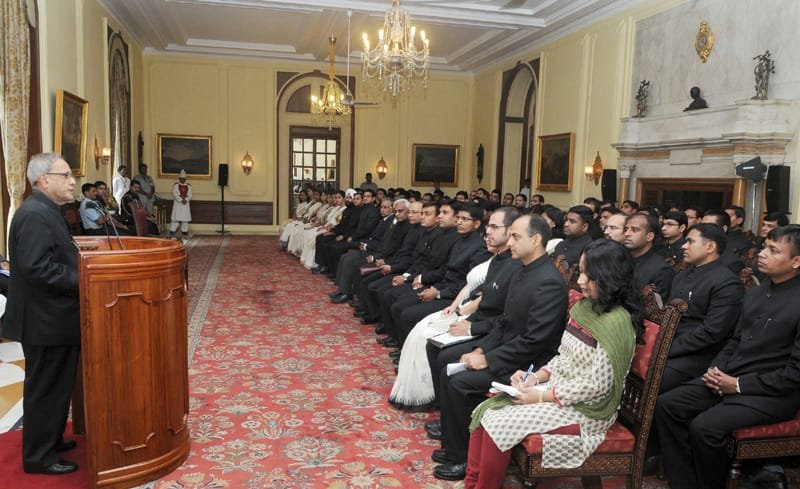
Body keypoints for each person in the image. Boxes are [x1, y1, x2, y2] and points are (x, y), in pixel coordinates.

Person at [464, 240, 642, 488]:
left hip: (589, 410)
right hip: (561, 391)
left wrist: (540, 396)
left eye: (588, 275)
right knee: (487, 409)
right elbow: (563, 356)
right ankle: (472, 483)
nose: (580, 281)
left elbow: (597, 386)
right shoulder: (585, 307)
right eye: (580, 272)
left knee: (498, 423)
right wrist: (535, 378)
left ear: (609, 277)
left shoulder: (617, 322)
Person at [656, 225, 800, 489]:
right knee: (668, 405)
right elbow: (734, 341)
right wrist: (714, 370)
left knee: (705, 427)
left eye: (773, 250)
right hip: (731, 376)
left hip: (771, 392)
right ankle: (686, 483)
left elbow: (795, 375)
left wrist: (738, 385)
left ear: (796, 261)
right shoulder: (756, 292)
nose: (762, 254)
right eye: (765, 247)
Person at [429, 214, 569, 481]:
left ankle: (462, 458)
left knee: (461, 383)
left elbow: (534, 340)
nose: (511, 242)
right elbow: (504, 323)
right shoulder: (524, 270)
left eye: (517, 236)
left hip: (530, 364)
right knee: (451, 363)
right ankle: (454, 442)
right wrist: (481, 350)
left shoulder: (548, 281)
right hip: (510, 349)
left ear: (536, 239)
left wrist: (490, 359)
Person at [388, 207, 521, 410]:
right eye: (489, 227)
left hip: (478, 319)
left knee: (430, 338)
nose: (488, 233)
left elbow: (495, 307)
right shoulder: (496, 257)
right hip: (464, 307)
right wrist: (455, 308)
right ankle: (426, 393)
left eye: (494, 227)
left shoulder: (512, 263)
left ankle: (433, 399)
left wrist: (466, 321)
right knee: (422, 330)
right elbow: (473, 288)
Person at [5, 153, 80, 475]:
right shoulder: (36, 214)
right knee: (46, 388)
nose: (72, 181)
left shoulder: (46, 210)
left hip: (52, 318)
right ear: (43, 179)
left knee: (57, 384)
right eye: (65, 176)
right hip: (45, 320)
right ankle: (39, 456)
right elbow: (37, 268)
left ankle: (50, 439)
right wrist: (83, 280)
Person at [170, 169, 192, 240]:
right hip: (178, 205)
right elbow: (174, 194)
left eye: (184, 179)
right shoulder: (176, 185)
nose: (182, 180)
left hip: (185, 204)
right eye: (181, 179)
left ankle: (184, 232)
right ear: (179, 178)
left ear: (185, 179)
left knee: (185, 219)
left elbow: (190, 194)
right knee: (175, 219)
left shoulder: (189, 186)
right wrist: (180, 200)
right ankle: (172, 232)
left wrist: (186, 199)